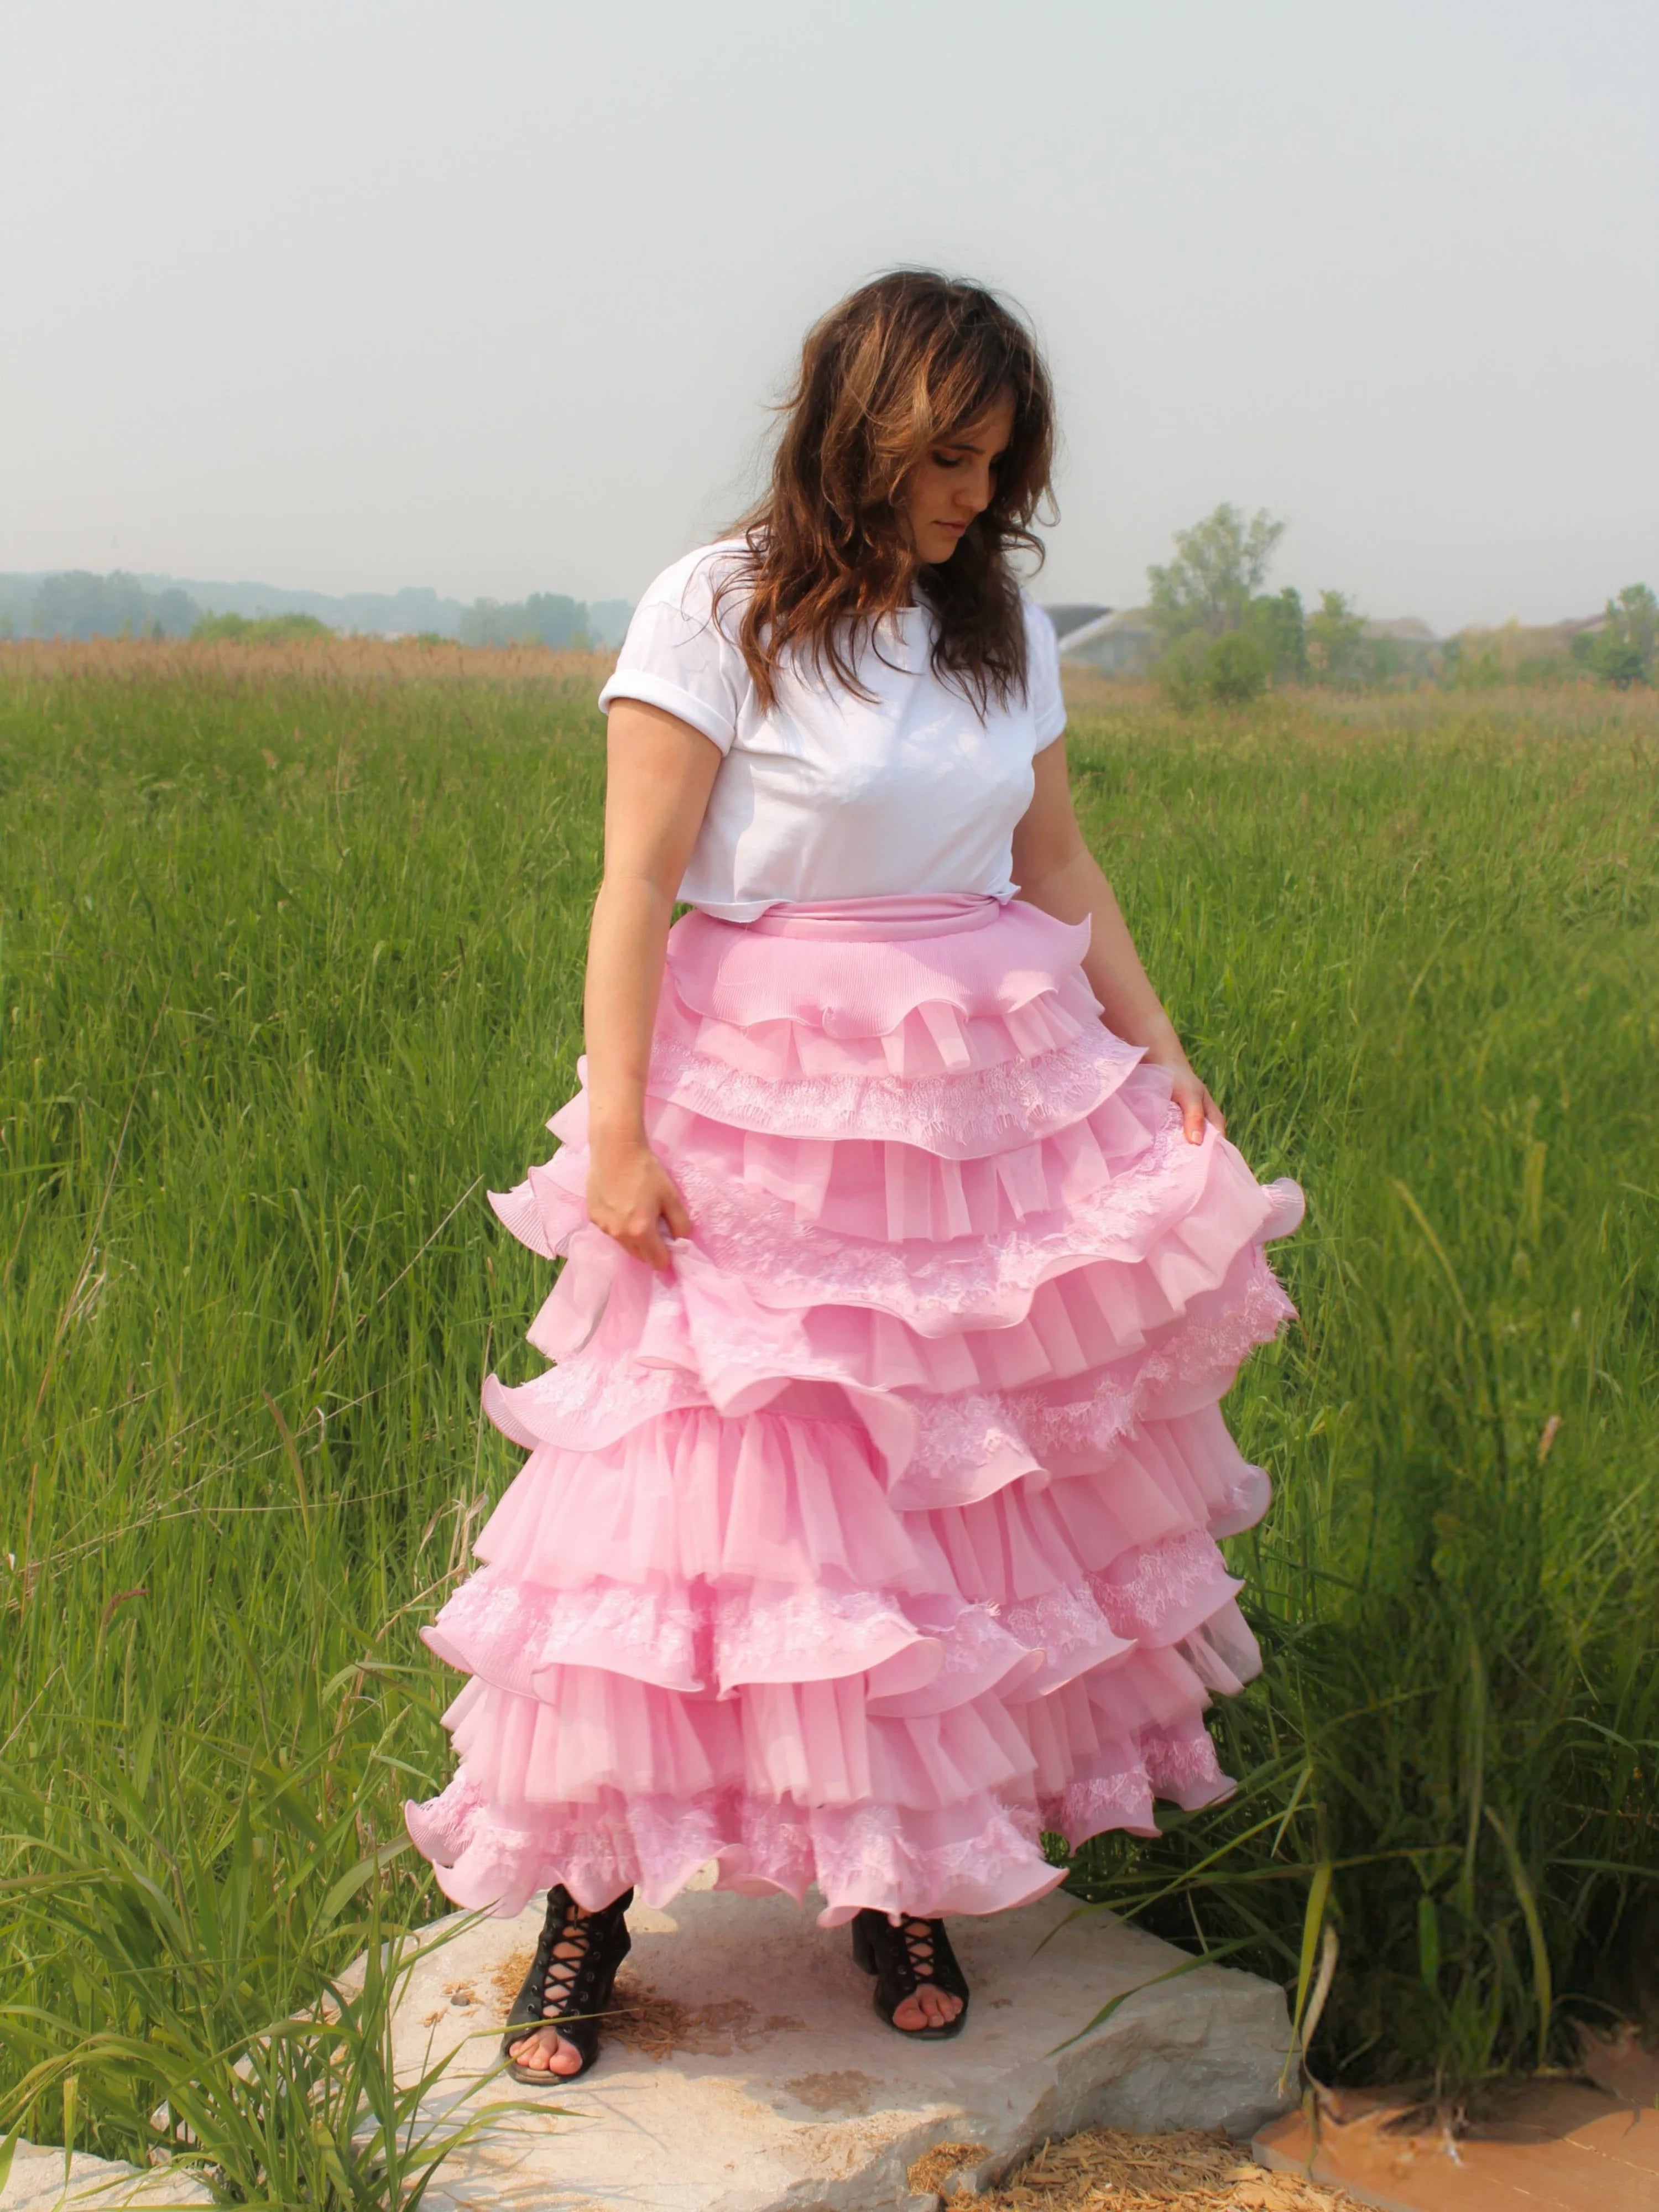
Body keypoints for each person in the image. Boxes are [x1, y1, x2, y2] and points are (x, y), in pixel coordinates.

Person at [406, 270, 1302, 2080]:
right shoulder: (714, 605)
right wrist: (627, 1129)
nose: (978, 492)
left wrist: (1162, 1049)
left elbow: (1062, 865)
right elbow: (632, 886)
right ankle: (583, 1915)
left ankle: (903, 1873)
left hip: (983, 1104)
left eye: (1001, 461)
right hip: (761, 1095)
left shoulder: (998, 629)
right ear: (861, 425)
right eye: (949, 454)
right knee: (684, 1499)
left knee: (939, 1506)